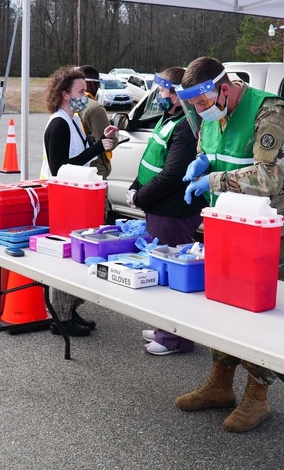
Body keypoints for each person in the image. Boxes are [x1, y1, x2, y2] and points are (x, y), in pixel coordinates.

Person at [174, 56, 284, 433]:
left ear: (225, 88)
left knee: (260, 311)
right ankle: (220, 383)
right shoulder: (210, 115)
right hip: (230, 224)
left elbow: (268, 178)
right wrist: (200, 162)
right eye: (195, 106)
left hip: (273, 226)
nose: (201, 112)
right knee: (224, 302)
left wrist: (213, 181)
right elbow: (211, 151)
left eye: (204, 103)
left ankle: (258, 395)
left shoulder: (270, 113)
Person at [126, 67, 205, 356]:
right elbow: (152, 160)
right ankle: (165, 327)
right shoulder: (169, 117)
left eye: (162, 91)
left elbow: (173, 174)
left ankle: (173, 338)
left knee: (172, 277)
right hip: (159, 208)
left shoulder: (185, 125)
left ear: (175, 94)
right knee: (160, 271)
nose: (159, 96)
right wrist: (136, 187)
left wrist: (140, 198)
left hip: (173, 212)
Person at [41, 65, 119, 336]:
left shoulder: (74, 120)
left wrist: (102, 140)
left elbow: (81, 154)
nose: (86, 96)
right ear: (65, 94)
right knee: (67, 256)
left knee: (80, 253)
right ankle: (60, 317)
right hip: (66, 199)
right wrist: (98, 148)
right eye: (81, 91)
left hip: (79, 197)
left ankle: (70, 310)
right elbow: (59, 166)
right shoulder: (59, 124)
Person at [78, 64, 119, 179]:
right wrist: (114, 136)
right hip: (94, 170)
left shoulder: (70, 103)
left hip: (74, 168)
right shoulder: (95, 108)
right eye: (98, 84)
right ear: (91, 83)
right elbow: (108, 144)